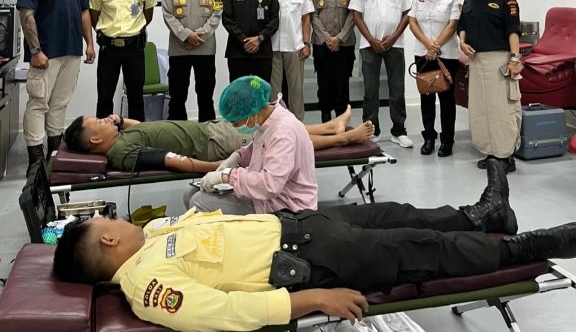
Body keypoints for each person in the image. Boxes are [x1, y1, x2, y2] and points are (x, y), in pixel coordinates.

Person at [53, 160, 576, 332]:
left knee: (398, 212)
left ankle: (484, 215)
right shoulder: (148, 284)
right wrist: (315, 300)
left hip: (302, 226)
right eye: (108, 221)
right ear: (107, 240)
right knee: (421, 249)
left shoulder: (152, 240)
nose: (116, 219)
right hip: (312, 262)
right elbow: (227, 312)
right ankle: (528, 247)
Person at [63, 103, 374, 174]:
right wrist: (217, 168)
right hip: (214, 145)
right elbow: (172, 161)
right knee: (279, 138)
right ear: (94, 141)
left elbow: (146, 128)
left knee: (274, 126)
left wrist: (120, 121)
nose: (104, 119)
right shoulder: (123, 153)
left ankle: (330, 127)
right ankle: (342, 139)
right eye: (98, 123)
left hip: (210, 131)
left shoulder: (121, 137)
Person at [17, 0, 95, 167]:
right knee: (38, 103)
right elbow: (26, 14)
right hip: (46, 53)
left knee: (60, 104)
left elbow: (84, 12)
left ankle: (54, 153)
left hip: (71, 51)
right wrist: (35, 51)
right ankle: (36, 158)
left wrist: (89, 43)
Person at [187, 75, 317, 215]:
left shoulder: (282, 133)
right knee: (191, 193)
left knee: (198, 202)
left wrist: (227, 177)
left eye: (236, 122)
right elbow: (261, 148)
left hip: (286, 204)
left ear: (252, 113)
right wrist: (237, 156)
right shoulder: (267, 120)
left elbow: (270, 186)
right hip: (268, 194)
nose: (233, 126)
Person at [457, 0, 522, 173]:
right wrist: (462, 43)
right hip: (476, 61)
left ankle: (506, 156)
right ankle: (491, 153)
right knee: (481, 109)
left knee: (501, 109)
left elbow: (513, 30)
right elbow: (462, 25)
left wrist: (515, 59)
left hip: (499, 60)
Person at [349, 0, 412, 148]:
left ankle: (399, 131)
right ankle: (371, 131)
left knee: (397, 89)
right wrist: (371, 39)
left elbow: (407, 14)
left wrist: (392, 38)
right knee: (370, 90)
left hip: (395, 45)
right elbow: (356, 15)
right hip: (369, 46)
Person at [90, 0, 156, 122]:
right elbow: (94, 16)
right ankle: (104, 132)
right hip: (109, 48)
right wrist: (108, 32)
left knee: (136, 95)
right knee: (105, 95)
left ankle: (137, 132)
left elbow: (148, 14)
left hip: (134, 47)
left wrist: (133, 29)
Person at [162, 0, 222, 122]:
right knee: (177, 96)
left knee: (205, 95)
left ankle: (207, 132)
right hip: (179, 49)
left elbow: (217, 13)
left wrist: (199, 35)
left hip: (205, 48)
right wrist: (186, 35)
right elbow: (168, 15)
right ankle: (179, 132)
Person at [408, 0, 462, 157]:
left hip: (446, 56)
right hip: (423, 55)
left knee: (447, 99)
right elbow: (412, 22)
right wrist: (428, 45)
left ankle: (447, 140)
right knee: (427, 97)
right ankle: (429, 137)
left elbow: (452, 25)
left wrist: (435, 46)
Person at [263, 0, 314, 121]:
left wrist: (306, 43)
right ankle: (275, 123)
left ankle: (297, 123)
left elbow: (306, 18)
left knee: (296, 90)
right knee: (273, 91)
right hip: (272, 46)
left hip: (295, 46)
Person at [311, 0, 356, 123]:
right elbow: (313, 14)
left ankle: (341, 123)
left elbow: (354, 14)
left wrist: (339, 38)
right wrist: (326, 38)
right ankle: (326, 122)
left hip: (344, 44)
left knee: (342, 85)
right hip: (321, 45)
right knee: (324, 85)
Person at [222, 0, 280, 82]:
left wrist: (259, 39)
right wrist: (245, 41)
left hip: (262, 52)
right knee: (238, 91)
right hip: (237, 52)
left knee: (261, 90)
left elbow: (275, 20)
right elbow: (227, 20)